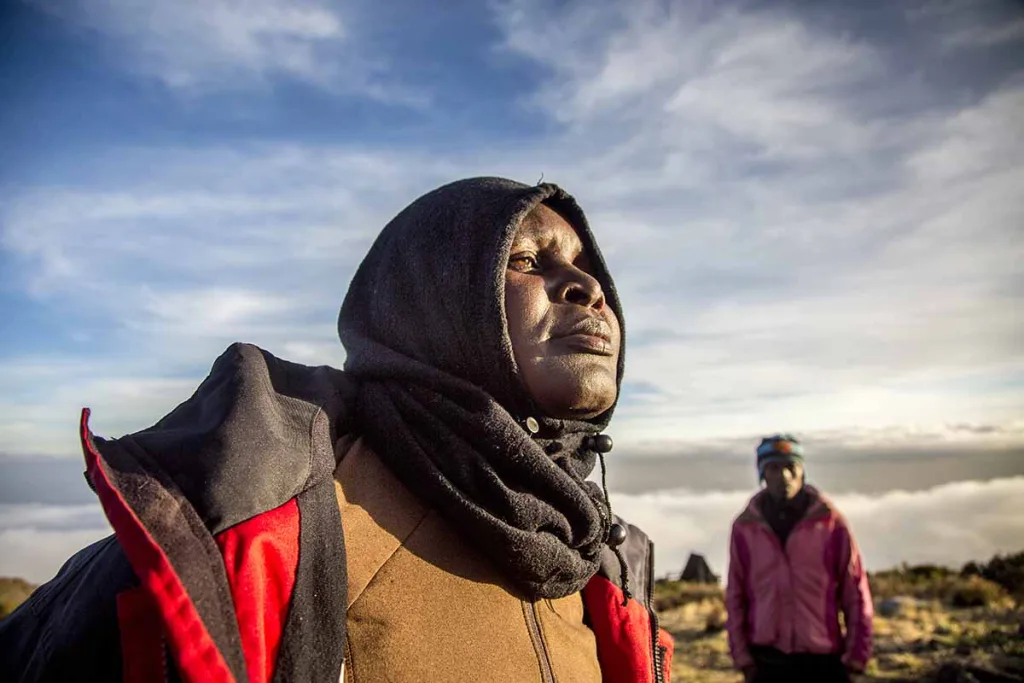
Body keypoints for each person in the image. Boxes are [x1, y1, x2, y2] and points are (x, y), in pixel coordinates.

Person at [0, 177, 674, 683]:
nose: (588, 286)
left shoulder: (600, 557)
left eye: (588, 267)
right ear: (430, 297)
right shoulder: (253, 516)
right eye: (526, 258)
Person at [725, 434, 873, 683]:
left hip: (823, 660)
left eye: (790, 467)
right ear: (762, 473)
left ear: (802, 471)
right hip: (766, 660)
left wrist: (857, 654)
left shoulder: (830, 523)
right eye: (773, 468)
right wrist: (742, 657)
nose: (784, 476)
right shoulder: (745, 528)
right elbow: (735, 596)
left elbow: (855, 590)